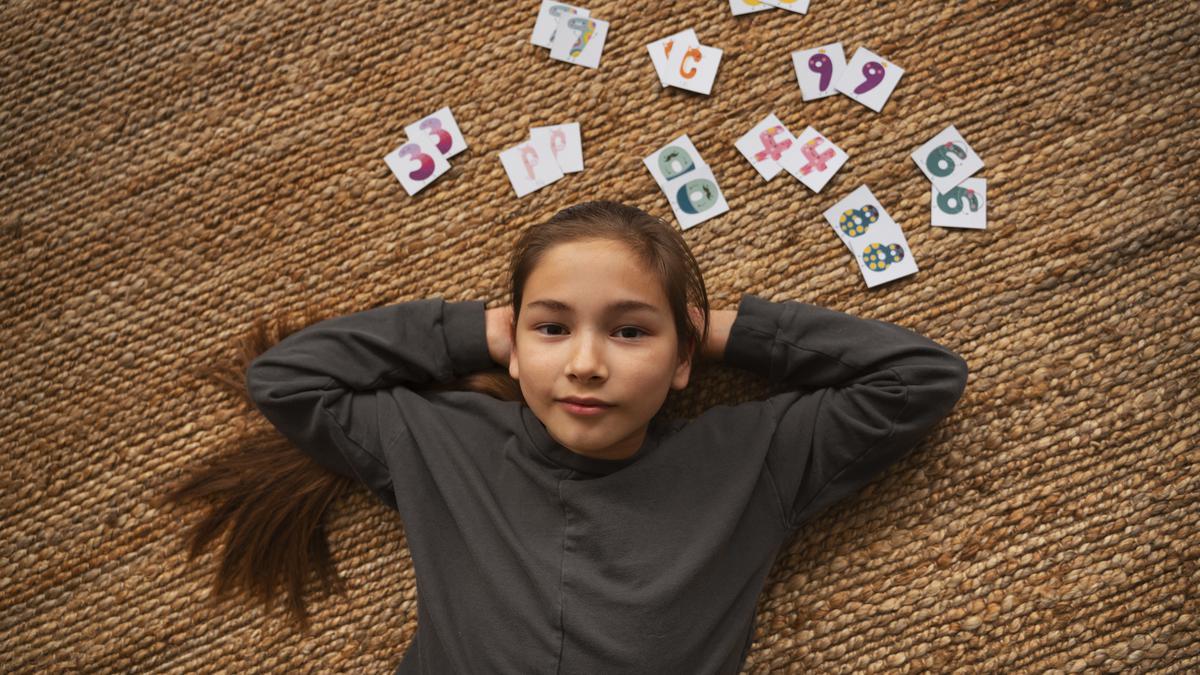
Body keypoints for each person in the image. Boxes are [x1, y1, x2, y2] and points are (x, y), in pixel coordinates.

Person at [160, 200, 969, 674]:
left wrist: (717, 332)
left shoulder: (750, 458)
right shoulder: (440, 440)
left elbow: (921, 379)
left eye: (628, 333)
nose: (584, 364)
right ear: (515, 342)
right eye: (553, 328)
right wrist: (472, 332)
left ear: (679, 357)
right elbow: (286, 380)